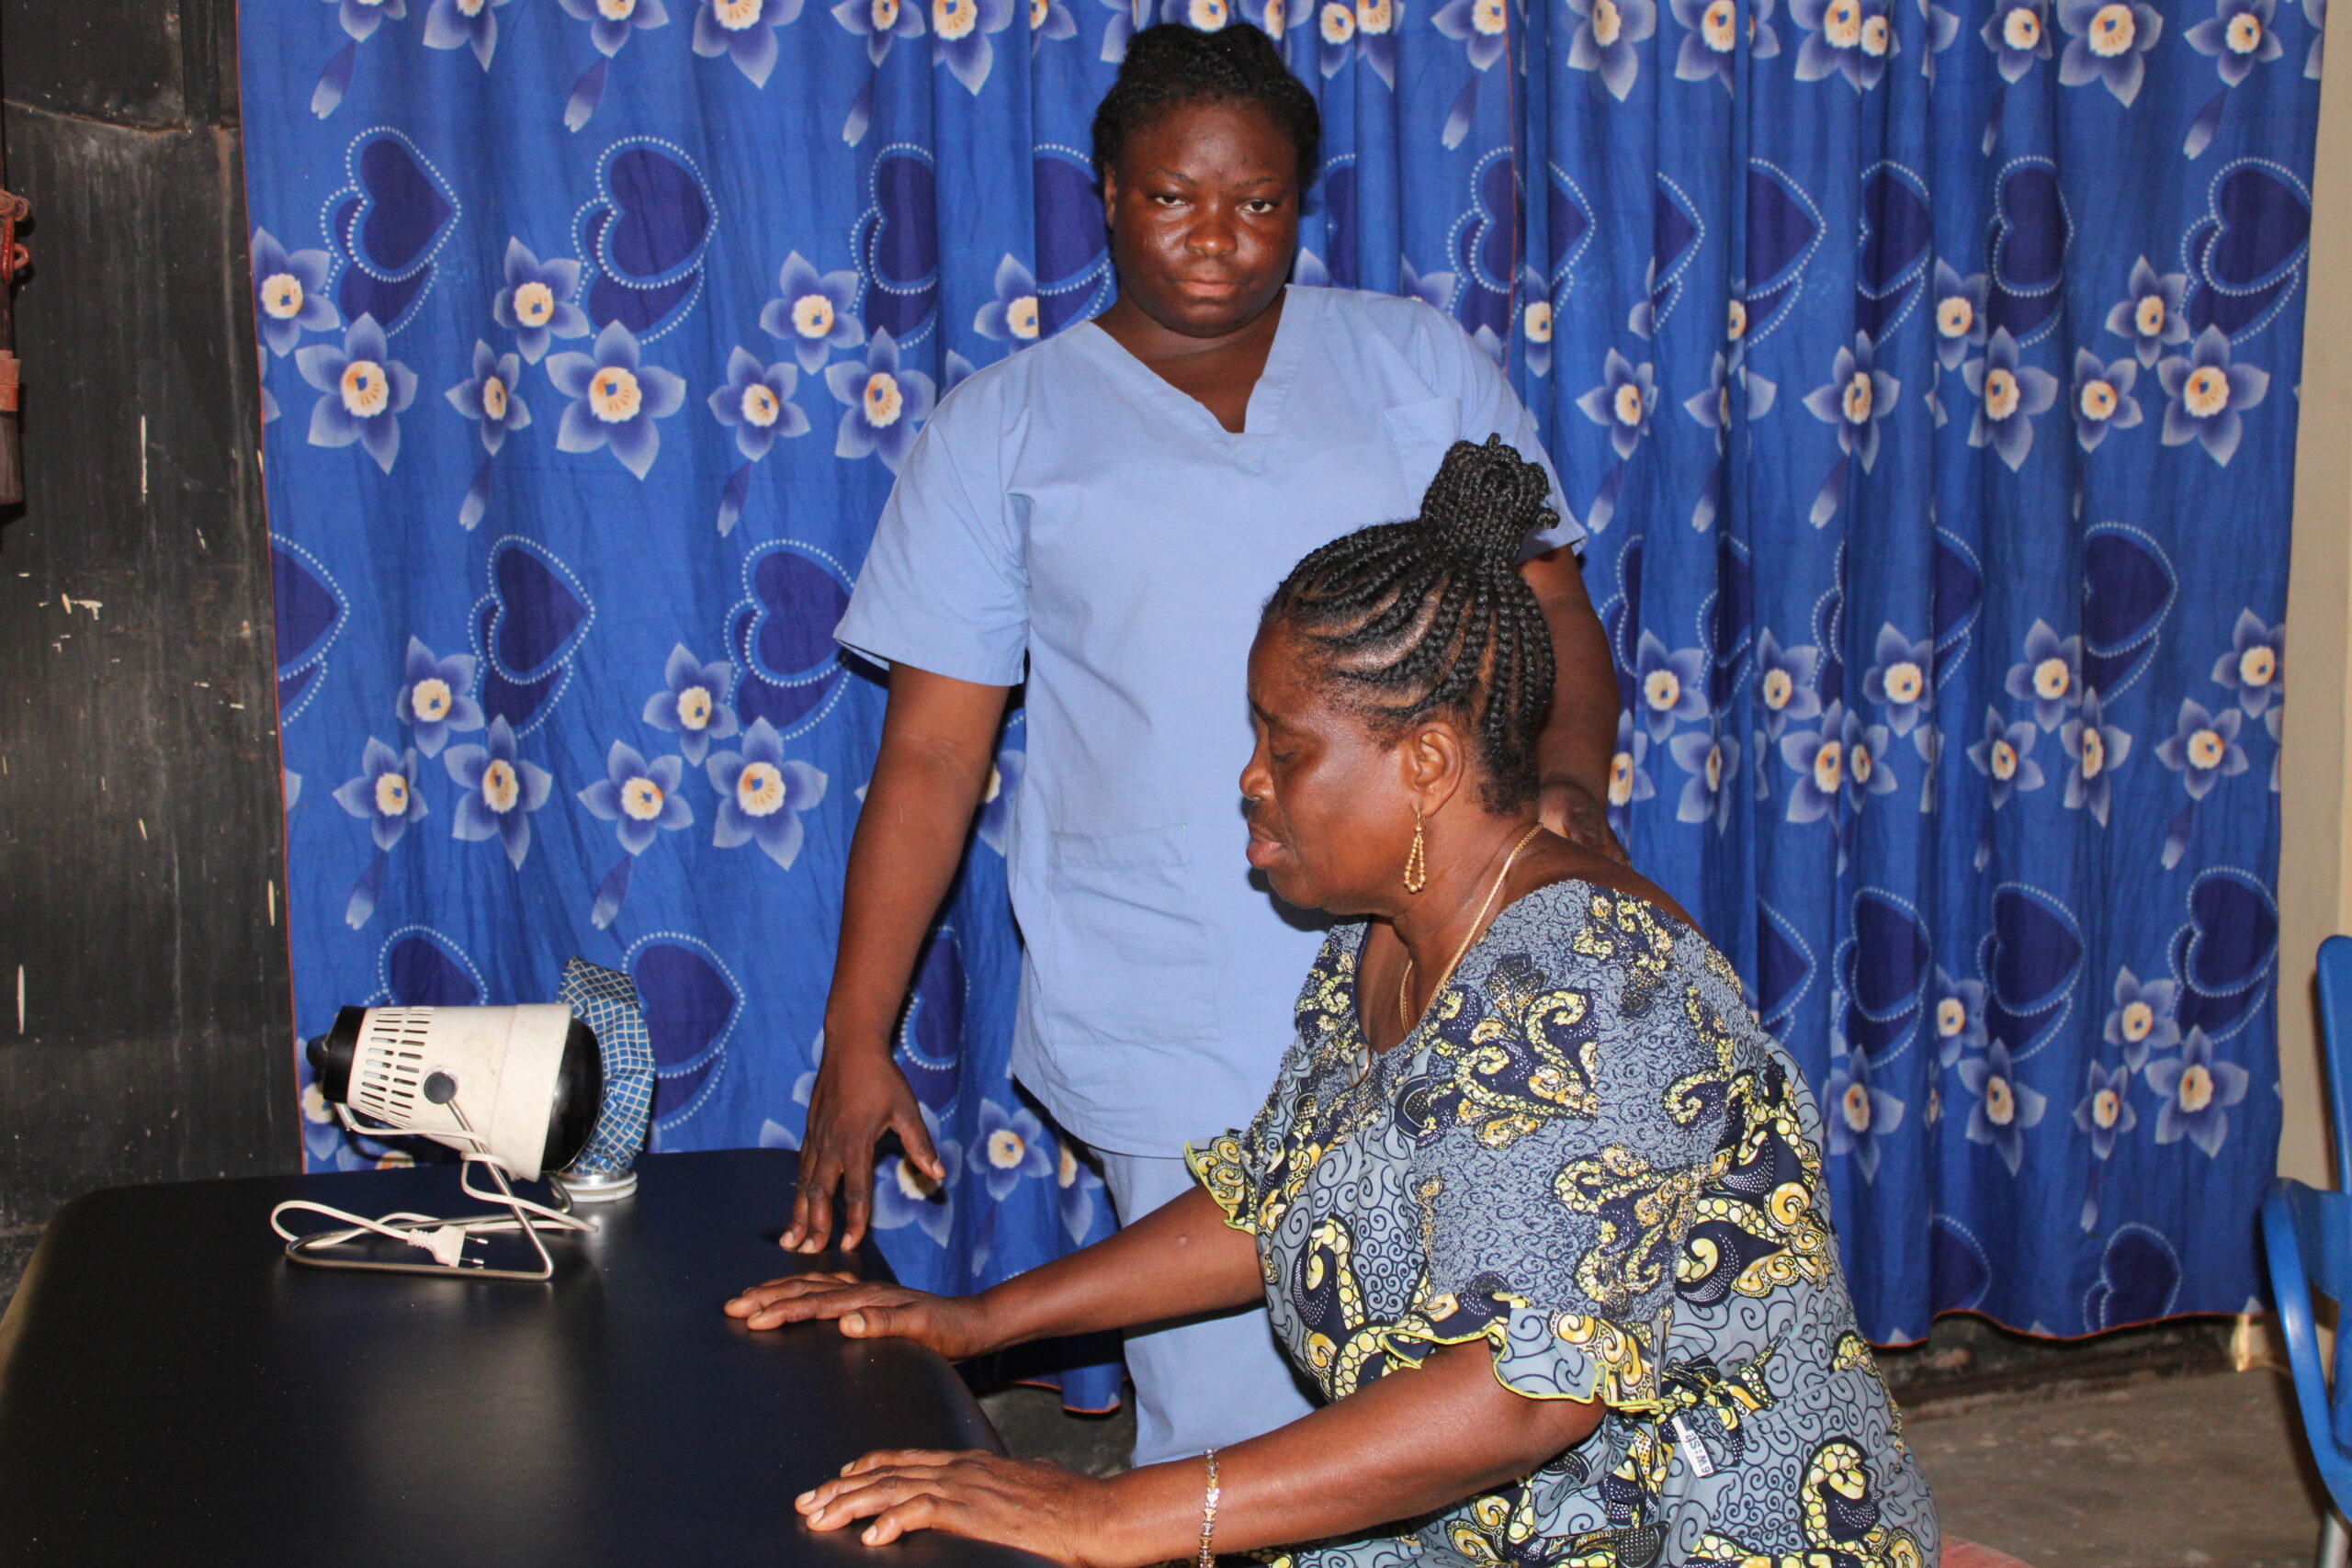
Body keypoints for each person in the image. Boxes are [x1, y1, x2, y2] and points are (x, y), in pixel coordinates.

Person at [729, 439, 1939, 1567]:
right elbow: (1276, 1196)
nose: (1250, 779)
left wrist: (1112, 1512)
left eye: (1287, 747)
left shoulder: (1601, 986)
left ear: (1426, 765)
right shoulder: (1383, 940)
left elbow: (1519, 1395)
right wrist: (981, 1322)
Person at [786, 20, 1621, 1466]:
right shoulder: (1004, 432)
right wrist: (857, 1036)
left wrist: (1567, 798)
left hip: (1444, 959)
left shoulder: (1415, 369)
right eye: (1175, 196)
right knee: (1245, 1439)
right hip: (1169, 988)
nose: (1219, 238)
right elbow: (929, 760)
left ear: (1302, 204)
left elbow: (1550, 610)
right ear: (1109, 192)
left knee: (1493, 1381)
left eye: (1259, 201)